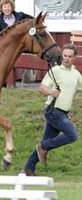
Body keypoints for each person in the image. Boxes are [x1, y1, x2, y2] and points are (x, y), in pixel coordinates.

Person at [22, 43, 82, 176]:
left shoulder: (76, 74)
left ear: (74, 57)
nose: (66, 58)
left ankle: (28, 168)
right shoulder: (55, 71)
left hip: (63, 113)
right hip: (53, 111)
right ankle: (43, 147)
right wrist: (50, 91)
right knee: (72, 136)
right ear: (62, 56)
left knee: (46, 141)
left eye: (70, 56)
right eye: (65, 56)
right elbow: (42, 88)